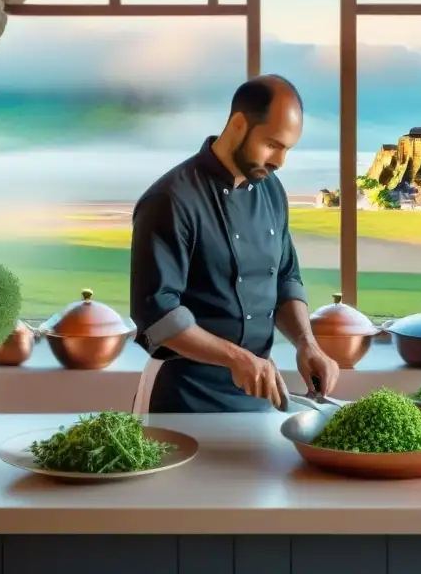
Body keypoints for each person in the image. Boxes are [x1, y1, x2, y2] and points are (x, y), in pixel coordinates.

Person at [129, 74, 341, 413]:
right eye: (272, 145)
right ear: (239, 125)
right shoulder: (170, 199)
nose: (279, 162)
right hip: (183, 398)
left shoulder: (272, 190)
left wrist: (307, 343)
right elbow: (157, 315)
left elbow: (285, 278)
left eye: (287, 149)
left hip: (257, 393)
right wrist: (237, 358)